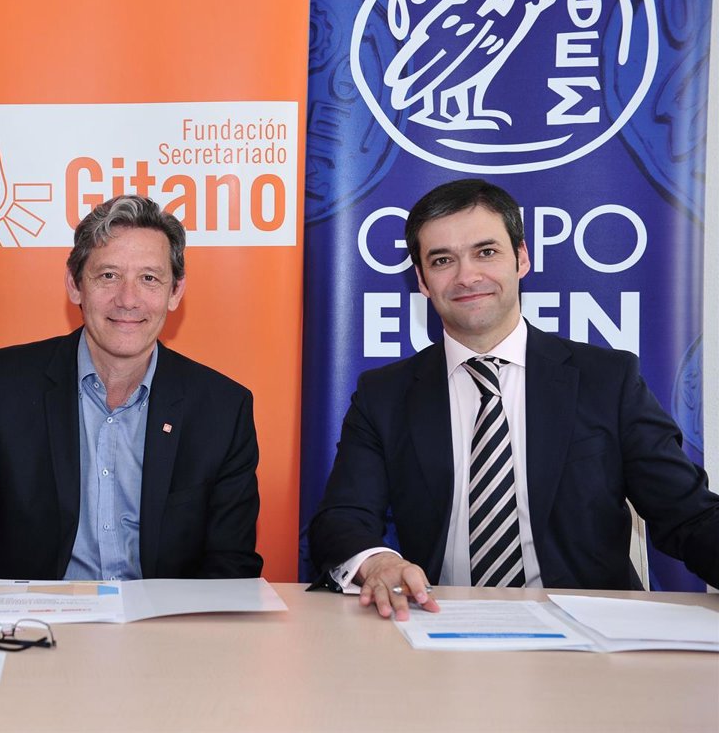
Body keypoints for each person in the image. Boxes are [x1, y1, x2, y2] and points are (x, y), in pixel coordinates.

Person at [308, 178, 719, 619]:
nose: (467, 277)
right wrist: (377, 562)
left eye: (486, 252)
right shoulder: (384, 395)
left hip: (590, 632)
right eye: (442, 260)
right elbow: (342, 519)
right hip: (440, 625)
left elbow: (688, 515)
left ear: (522, 258)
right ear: (422, 281)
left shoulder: (607, 380)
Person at [0, 195, 262, 599]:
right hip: (39, 622)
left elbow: (231, 564)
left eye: (149, 278)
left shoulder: (223, 409)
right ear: (75, 284)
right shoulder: (5, 384)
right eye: (108, 275)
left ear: (175, 292)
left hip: (166, 626)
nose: (128, 299)